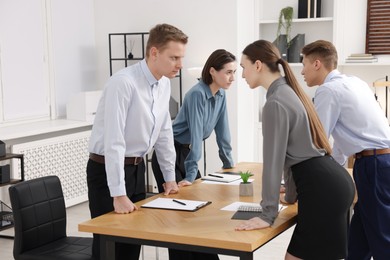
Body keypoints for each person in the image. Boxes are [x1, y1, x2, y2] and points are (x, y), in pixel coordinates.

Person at [236, 39, 355, 260]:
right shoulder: (287, 91)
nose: (242, 74)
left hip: (321, 190)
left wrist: (267, 214)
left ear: (258, 65)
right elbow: (294, 159)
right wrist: (290, 196)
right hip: (333, 183)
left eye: (243, 67)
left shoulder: (275, 103)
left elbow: (274, 162)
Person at [87, 23, 188, 260]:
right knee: (109, 249)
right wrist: (118, 193)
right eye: (174, 57)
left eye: (181, 57)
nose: (180, 65)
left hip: (136, 168)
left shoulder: (163, 84)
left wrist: (169, 178)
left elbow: (164, 133)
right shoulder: (123, 83)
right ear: (154, 53)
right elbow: (114, 141)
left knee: (132, 245)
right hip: (106, 171)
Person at [301, 40, 390, 260]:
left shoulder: (328, 91)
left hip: (373, 165)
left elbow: (317, 141)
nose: (301, 71)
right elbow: (342, 139)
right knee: (358, 242)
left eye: (304, 64)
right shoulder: (355, 82)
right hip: (375, 162)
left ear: (317, 64)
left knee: (382, 240)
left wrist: (299, 180)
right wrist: (338, 171)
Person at [151, 49, 236, 260]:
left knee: (198, 212)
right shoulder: (197, 93)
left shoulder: (221, 95)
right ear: (213, 71)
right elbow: (196, 136)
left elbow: (223, 134)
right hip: (171, 152)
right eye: (228, 72)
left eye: (234, 72)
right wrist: (191, 176)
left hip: (187, 152)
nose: (232, 78)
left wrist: (230, 167)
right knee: (178, 214)